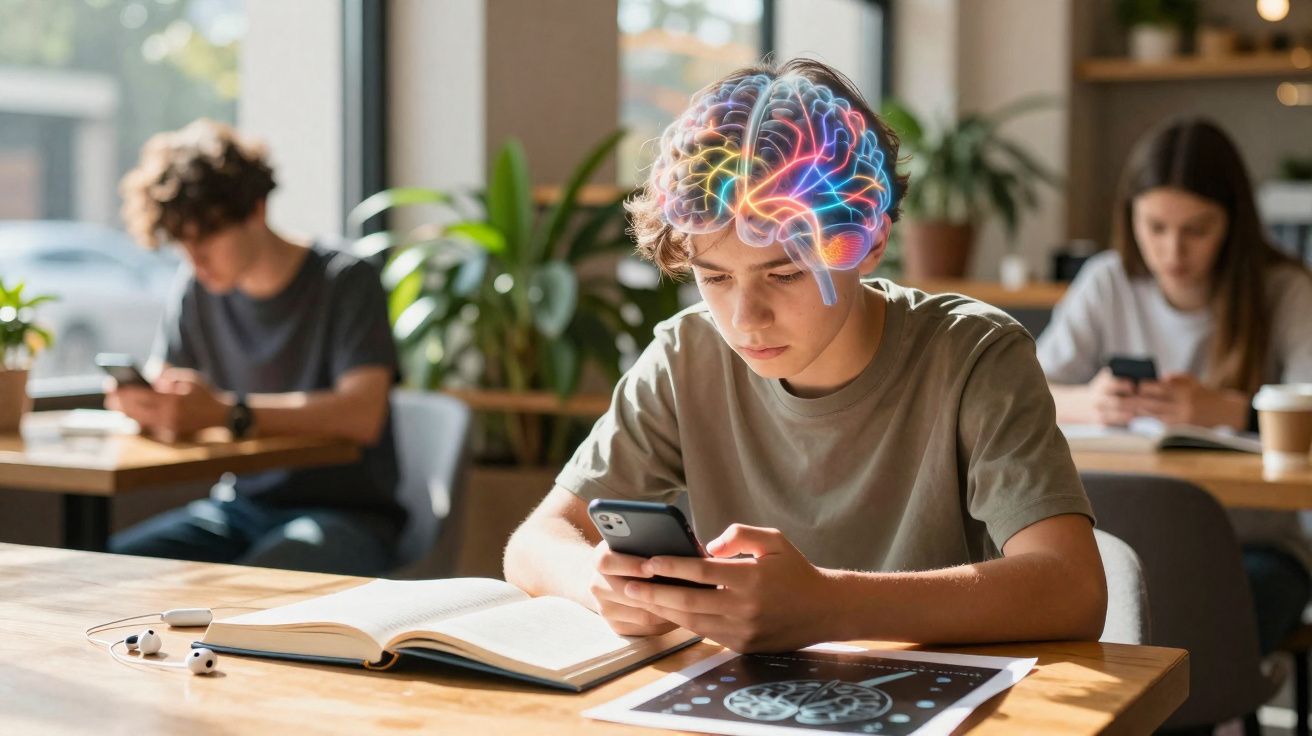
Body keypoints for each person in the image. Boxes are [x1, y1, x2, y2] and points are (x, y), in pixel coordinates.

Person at [503, 58, 1107, 653]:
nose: (745, 319)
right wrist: (601, 584)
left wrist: (827, 605)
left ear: (870, 244)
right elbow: (536, 542)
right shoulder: (687, 356)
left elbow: (1074, 588)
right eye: (714, 277)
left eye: (786, 274)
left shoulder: (974, 355)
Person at [1038, 117, 1312, 654]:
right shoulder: (1109, 279)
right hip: (1132, 539)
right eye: (1155, 226)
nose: (1172, 252)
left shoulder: (1284, 289)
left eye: (1197, 229)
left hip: (1256, 544)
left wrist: (1230, 410)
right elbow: (1029, 390)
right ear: (1130, 216)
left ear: (1234, 222)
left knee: (1193, 641)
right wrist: (1088, 401)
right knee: (1099, 620)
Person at [106, 119, 404, 576]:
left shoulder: (345, 279)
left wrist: (228, 412)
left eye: (206, 238)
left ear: (257, 210)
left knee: (250, 593)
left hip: (348, 515)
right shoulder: (196, 290)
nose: (196, 260)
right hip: (237, 509)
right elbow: (170, 386)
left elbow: (362, 415)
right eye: (182, 243)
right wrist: (150, 406)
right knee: (106, 570)